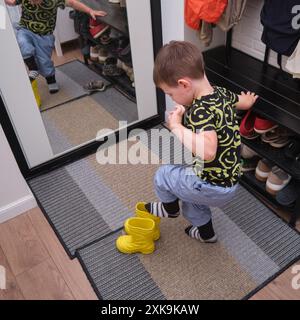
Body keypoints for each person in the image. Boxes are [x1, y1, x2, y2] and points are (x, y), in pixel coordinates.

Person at [144, 41, 258, 243]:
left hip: (210, 184)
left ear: (184, 84)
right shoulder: (221, 93)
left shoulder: (199, 110)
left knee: (164, 174)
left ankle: (169, 209)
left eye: (170, 94)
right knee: (191, 201)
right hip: (229, 182)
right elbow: (243, 101)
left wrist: (176, 126)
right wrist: (249, 99)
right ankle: (206, 234)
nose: (172, 99)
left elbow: (207, 151)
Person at [5, 0, 107, 93]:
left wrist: (90, 11)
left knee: (44, 61)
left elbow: (72, 3)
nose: (33, 2)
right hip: (25, 29)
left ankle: (51, 80)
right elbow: (11, 2)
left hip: (45, 36)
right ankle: (33, 68)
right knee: (23, 43)